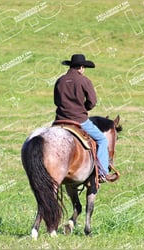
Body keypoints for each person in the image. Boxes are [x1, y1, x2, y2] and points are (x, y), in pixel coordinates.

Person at [53, 54, 118, 183]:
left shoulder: (60, 80)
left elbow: (56, 101)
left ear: (71, 66)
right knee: (102, 140)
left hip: (59, 121)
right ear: (82, 67)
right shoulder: (84, 81)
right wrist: (83, 108)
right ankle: (102, 173)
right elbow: (92, 102)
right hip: (79, 120)